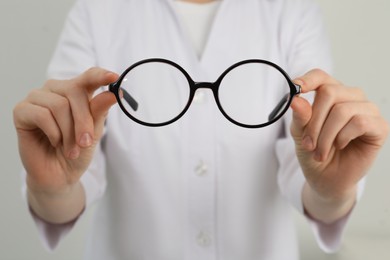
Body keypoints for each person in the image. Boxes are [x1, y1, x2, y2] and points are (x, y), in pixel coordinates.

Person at [13, 0, 388, 259]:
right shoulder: (98, 10)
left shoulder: (289, 10)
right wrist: (51, 188)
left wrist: (334, 190)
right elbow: (71, 175)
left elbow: (310, 169)